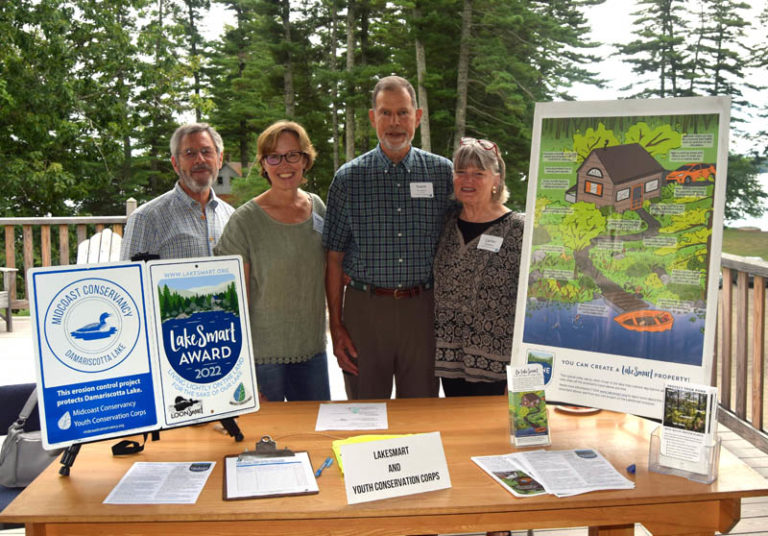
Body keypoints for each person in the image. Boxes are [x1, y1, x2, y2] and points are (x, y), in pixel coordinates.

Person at [323, 75, 453, 399]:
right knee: (365, 414)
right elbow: (334, 258)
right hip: (365, 312)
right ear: (372, 118)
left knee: (420, 412)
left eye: (403, 113)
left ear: (417, 116)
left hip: (422, 311)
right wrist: (336, 327)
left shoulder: (442, 173)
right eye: (385, 113)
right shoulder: (348, 179)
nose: (395, 123)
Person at [214, 120, 330, 402]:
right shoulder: (244, 221)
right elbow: (231, 302)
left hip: (312, 349)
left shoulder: (318, 207)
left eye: (293, 155)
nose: (284, 164)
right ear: (264, 164)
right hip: (262, 358)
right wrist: (240, 371)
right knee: (266, 441)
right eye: (274, 157)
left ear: (305, 160)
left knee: (315, 437)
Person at [433, 137, 524, 397]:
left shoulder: (519, 229)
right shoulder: (446, 225)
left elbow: (531, 306)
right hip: (450, 365)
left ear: (496, 179)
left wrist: (519, 371)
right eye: (460, 172)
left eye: (478, 173)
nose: (467, 180)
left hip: (500, 369)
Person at [121, 123, 235, 261]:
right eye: (190, 153)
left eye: (206, 151)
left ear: (220, 159)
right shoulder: (146, 219)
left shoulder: (232, 217)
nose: (200, 159)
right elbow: (131, 279)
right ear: (175, 164)